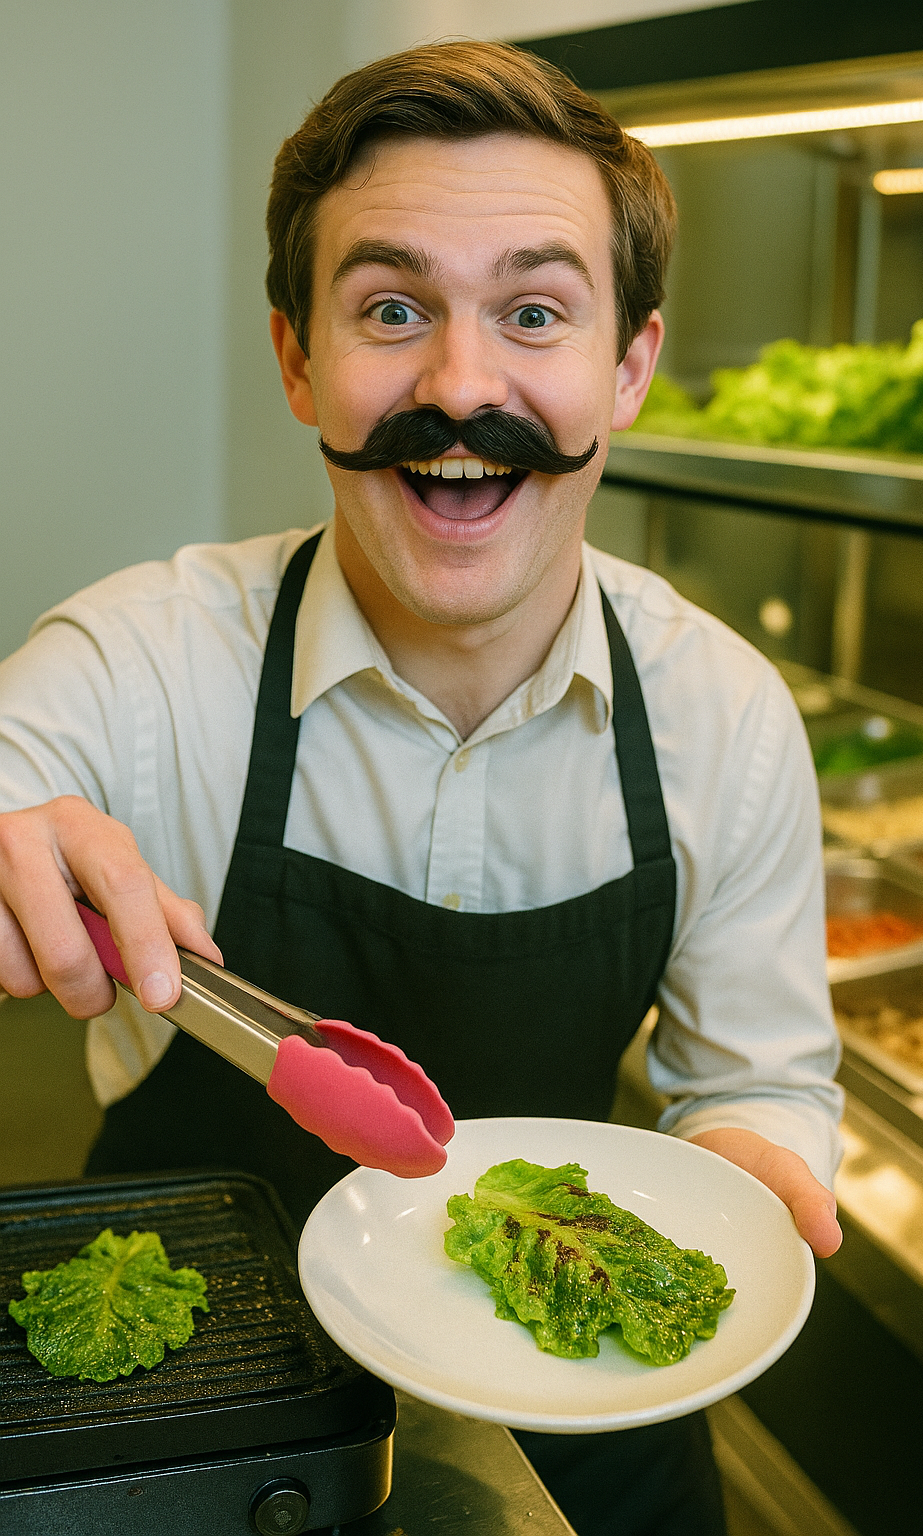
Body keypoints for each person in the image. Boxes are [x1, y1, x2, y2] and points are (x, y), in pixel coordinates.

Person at [0, 40, 842, 1535]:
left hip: (583, 1409)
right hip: (193, 1424)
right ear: (297, 358)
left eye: (535, 312)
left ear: (630, 366)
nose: (461, 386)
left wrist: (732, 1174)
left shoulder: (725, 714)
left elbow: (758, 1076)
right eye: (393, 310)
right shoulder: (135, 659)